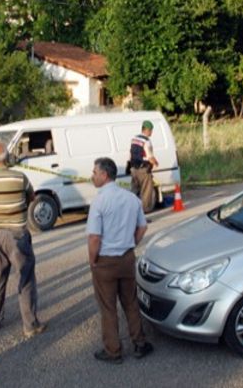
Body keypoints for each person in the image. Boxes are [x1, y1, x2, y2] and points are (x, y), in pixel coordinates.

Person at [87, 157, 153, 364]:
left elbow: (94, 237)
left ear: (104, 175)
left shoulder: (99, 201)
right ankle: (140, 342)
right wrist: (130, 243)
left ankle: (113, 350)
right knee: (130, 302)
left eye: (95, 172)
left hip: (105, 261)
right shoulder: (132, 198)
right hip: (126, 258)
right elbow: (143, 227)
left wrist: (93, 260)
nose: (92, 175)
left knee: (108, 307)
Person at [0, 139, 46, 338]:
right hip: (17, 232)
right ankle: (30, 325)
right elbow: (32, 197)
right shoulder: (19, 177)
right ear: (7, 156)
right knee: (24, 277)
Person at [129, 120, 159, 212]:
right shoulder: (146, 141)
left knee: (134, 191)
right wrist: (156, 163)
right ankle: (143, 213)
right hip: (143, 170)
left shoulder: (134, 139)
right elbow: (150, 157)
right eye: (151, 130)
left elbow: (131, 154)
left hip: (134, 169)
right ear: (147, 130)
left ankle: (132, 212)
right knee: (146, 192)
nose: (151, 132)